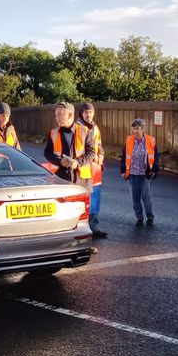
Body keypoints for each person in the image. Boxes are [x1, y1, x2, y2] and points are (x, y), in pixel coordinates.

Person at [44, 102, 98, 250]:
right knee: (61, 211)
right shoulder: (53, 133)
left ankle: (85, 244)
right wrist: (59, 161)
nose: (57, 118)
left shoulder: (85, 131)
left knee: (82, 213)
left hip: (81, 178)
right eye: (56, 115)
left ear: (70, 115)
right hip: (60, 178)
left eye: (60, 114)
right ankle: (62, 244)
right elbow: (47, 153)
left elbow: (91, 152)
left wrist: (77, 163)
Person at [121, 118, 158, 225]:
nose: (136, 131)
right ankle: (139, 217)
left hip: (145, 174)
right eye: (134, 129)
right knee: (135, 198)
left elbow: (155, 156)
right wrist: (123, 170)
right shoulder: (129, 141)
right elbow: (124, 157)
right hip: (132, 174)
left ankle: (150, 217)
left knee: (146, 197)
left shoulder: (150, 140)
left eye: (138, 128)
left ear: (143, 129)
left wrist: (154, 169)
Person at [77, 103, 107, 239]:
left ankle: (94, 228)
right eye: (86, 112)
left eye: (90, 112)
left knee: (94, 199)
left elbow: (99, 145)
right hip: (82, 168)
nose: (88, 115)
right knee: (83, 200)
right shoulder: (78, 128)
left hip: (94, 169)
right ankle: (81, 229)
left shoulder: (95, 127)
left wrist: (101, 154)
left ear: (93, 113)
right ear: (81, 114)